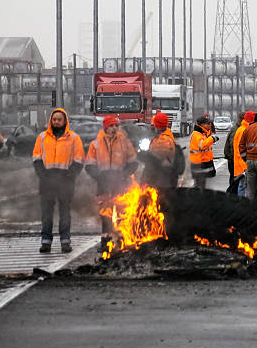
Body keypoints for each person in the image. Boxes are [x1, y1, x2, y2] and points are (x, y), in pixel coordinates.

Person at [32, 108, 85, 253]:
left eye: (59, 119)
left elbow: (79, 159)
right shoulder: (42, 137)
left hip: (65, 181)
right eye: (54, 119)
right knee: (46, 213)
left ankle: (65, 241)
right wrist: (42, 174)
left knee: (65, 212)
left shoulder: (74, 138)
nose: (56, 122)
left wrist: (70, 175)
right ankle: (46, 242)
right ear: (51, 121)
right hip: (47, 180)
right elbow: (36, 158)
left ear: (64, 121)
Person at [85, 115, 138, 251]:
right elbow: (89, 165)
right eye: (111, 126)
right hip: (103, 184)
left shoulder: (124, 143)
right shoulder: (95, 144)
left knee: (121, 212)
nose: (114, 128)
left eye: (116, 125)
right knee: (105, 214)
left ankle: (121, 241)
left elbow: (133, 163)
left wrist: (124, 175)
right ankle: (106, 242)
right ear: (105, 127)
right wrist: (99, 176)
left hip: (120, 183)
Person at [140, 112, 178, 190]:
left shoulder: (162, 140)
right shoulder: (165, 137)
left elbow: (155, 161)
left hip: (160, 182)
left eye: (153, 124)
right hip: (164, 180)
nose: (152, 126)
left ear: (157, 125)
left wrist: (142, 155)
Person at [189, 115, 219, 189]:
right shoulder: (197, 134)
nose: (210, 125)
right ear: (202, 125)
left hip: (202, 162)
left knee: (202, 184)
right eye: (208, 124)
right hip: (199, 163)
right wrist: (212, 139)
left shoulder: (202, 133)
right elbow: (202, 145)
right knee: (200, 185)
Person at [232, 111, 256, 197]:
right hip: (243, 164)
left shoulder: (242, 128)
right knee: (243, 186)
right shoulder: (244, 130)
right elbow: (241, 150)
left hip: (241, 163)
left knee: (242, 186)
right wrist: (245, 166)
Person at [224, 112, 244, 192]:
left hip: (232, 158)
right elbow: (234, 146)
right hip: (234, 159)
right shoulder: (237, 129)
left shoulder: (235, 128)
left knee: (234, 180)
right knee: (235, 181)